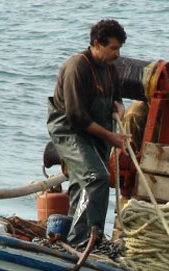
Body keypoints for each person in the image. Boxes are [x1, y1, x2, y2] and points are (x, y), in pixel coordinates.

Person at [47, 19, 132, 247]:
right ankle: (83, 240)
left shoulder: (110, 68)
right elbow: (77, 118)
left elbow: (116, 97)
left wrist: (120, 106)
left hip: (97, 132)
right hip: (70, 131)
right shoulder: (77, 67)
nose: (118, 53)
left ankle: (74, 238)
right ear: (97, 43)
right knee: (97, 178)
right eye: (113, 48)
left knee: (81, 183)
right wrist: (112, 137)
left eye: (119, 48)